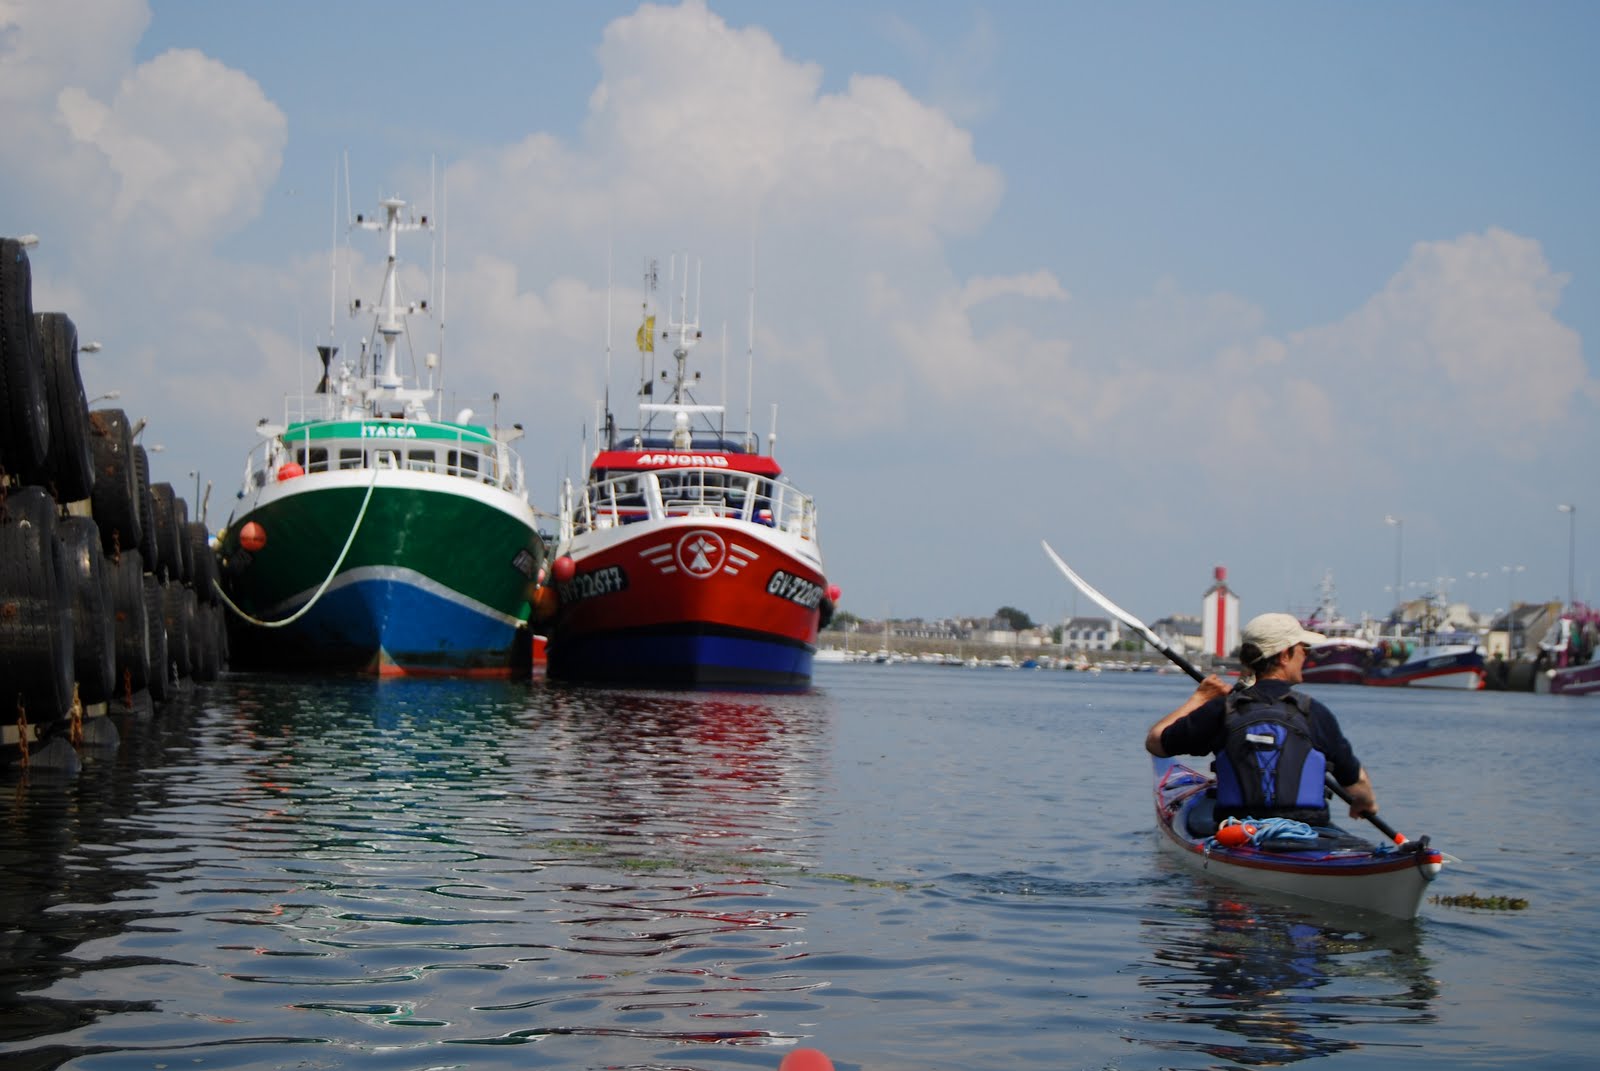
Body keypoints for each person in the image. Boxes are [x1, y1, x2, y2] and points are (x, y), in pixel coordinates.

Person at [1145, 612, 1378, 828]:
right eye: (1302, 648)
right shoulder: (1314, 713)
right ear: (1285, 655)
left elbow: (1156, 743)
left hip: (1238, 833)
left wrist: (1199, 698)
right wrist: (1366, 803)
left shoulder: (1222, 710)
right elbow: (1357, 782)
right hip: (1308, 832)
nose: (1306, 654)